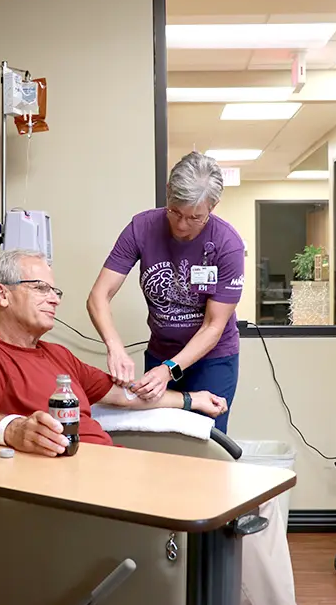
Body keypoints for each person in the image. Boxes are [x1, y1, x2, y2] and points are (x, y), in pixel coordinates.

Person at [0, 249, 313, 605]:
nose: (54, 298)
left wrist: (190, 399)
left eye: (56, 290)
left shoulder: (57, 355)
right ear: (1, 295)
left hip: (114, 470)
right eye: (40, 288)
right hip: (81, 487)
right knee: (230, 510)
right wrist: (13, 430)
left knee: (258, 498)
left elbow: (121, 394)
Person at [87, 151, 245, 434]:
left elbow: (213, 326)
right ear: (168, 192)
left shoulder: (227, 245)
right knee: (158, 441)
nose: (182, 226)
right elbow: (99, 296)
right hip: (161, 352)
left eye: (195, 217)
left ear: (213, 206)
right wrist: (116, 348)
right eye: (175, 212)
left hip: (212, 359)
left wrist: (169, 369)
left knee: (205, 444)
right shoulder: (142, 228)